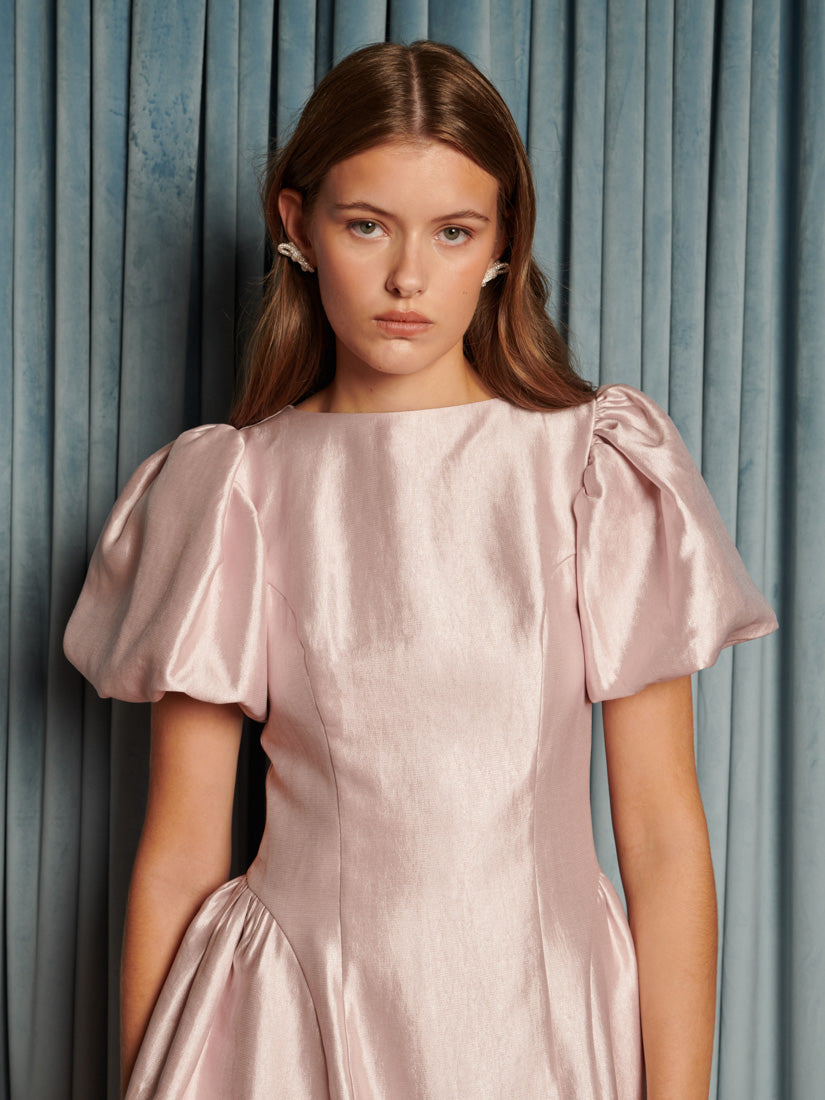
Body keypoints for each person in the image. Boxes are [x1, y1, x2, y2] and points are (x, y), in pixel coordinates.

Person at [65, 40, 778, 1100]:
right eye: (368, 225)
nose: (408, 277)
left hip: (541, 1025)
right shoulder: (231, 488)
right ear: (297, 224)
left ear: (502, 243)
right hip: (286, 1026)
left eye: (453, 231)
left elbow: (665, 840)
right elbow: (178, 854)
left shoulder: (593, 467)